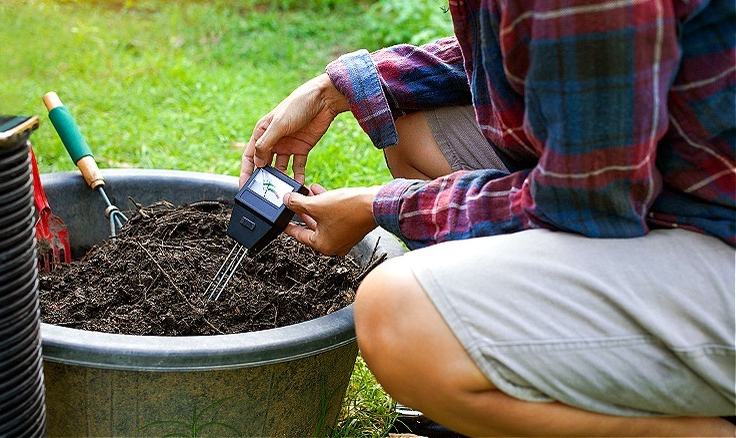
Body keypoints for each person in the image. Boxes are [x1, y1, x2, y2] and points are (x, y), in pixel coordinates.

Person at [239, 1, 735, 436]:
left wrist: (382, 205)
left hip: (710, 234)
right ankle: (532, 374)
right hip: (673, 192)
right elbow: (521, 51)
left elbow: (586, 205)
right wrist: (338, 89)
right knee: (414, 127)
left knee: (400, 319)